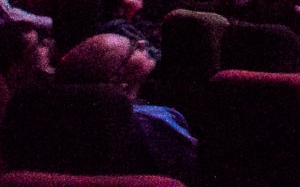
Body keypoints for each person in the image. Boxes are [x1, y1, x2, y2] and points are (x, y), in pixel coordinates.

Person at [54, 32, 198, 181]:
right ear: (115, 78)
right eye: (133, 48)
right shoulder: (153, 121)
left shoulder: (71, 123)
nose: (142, 42)